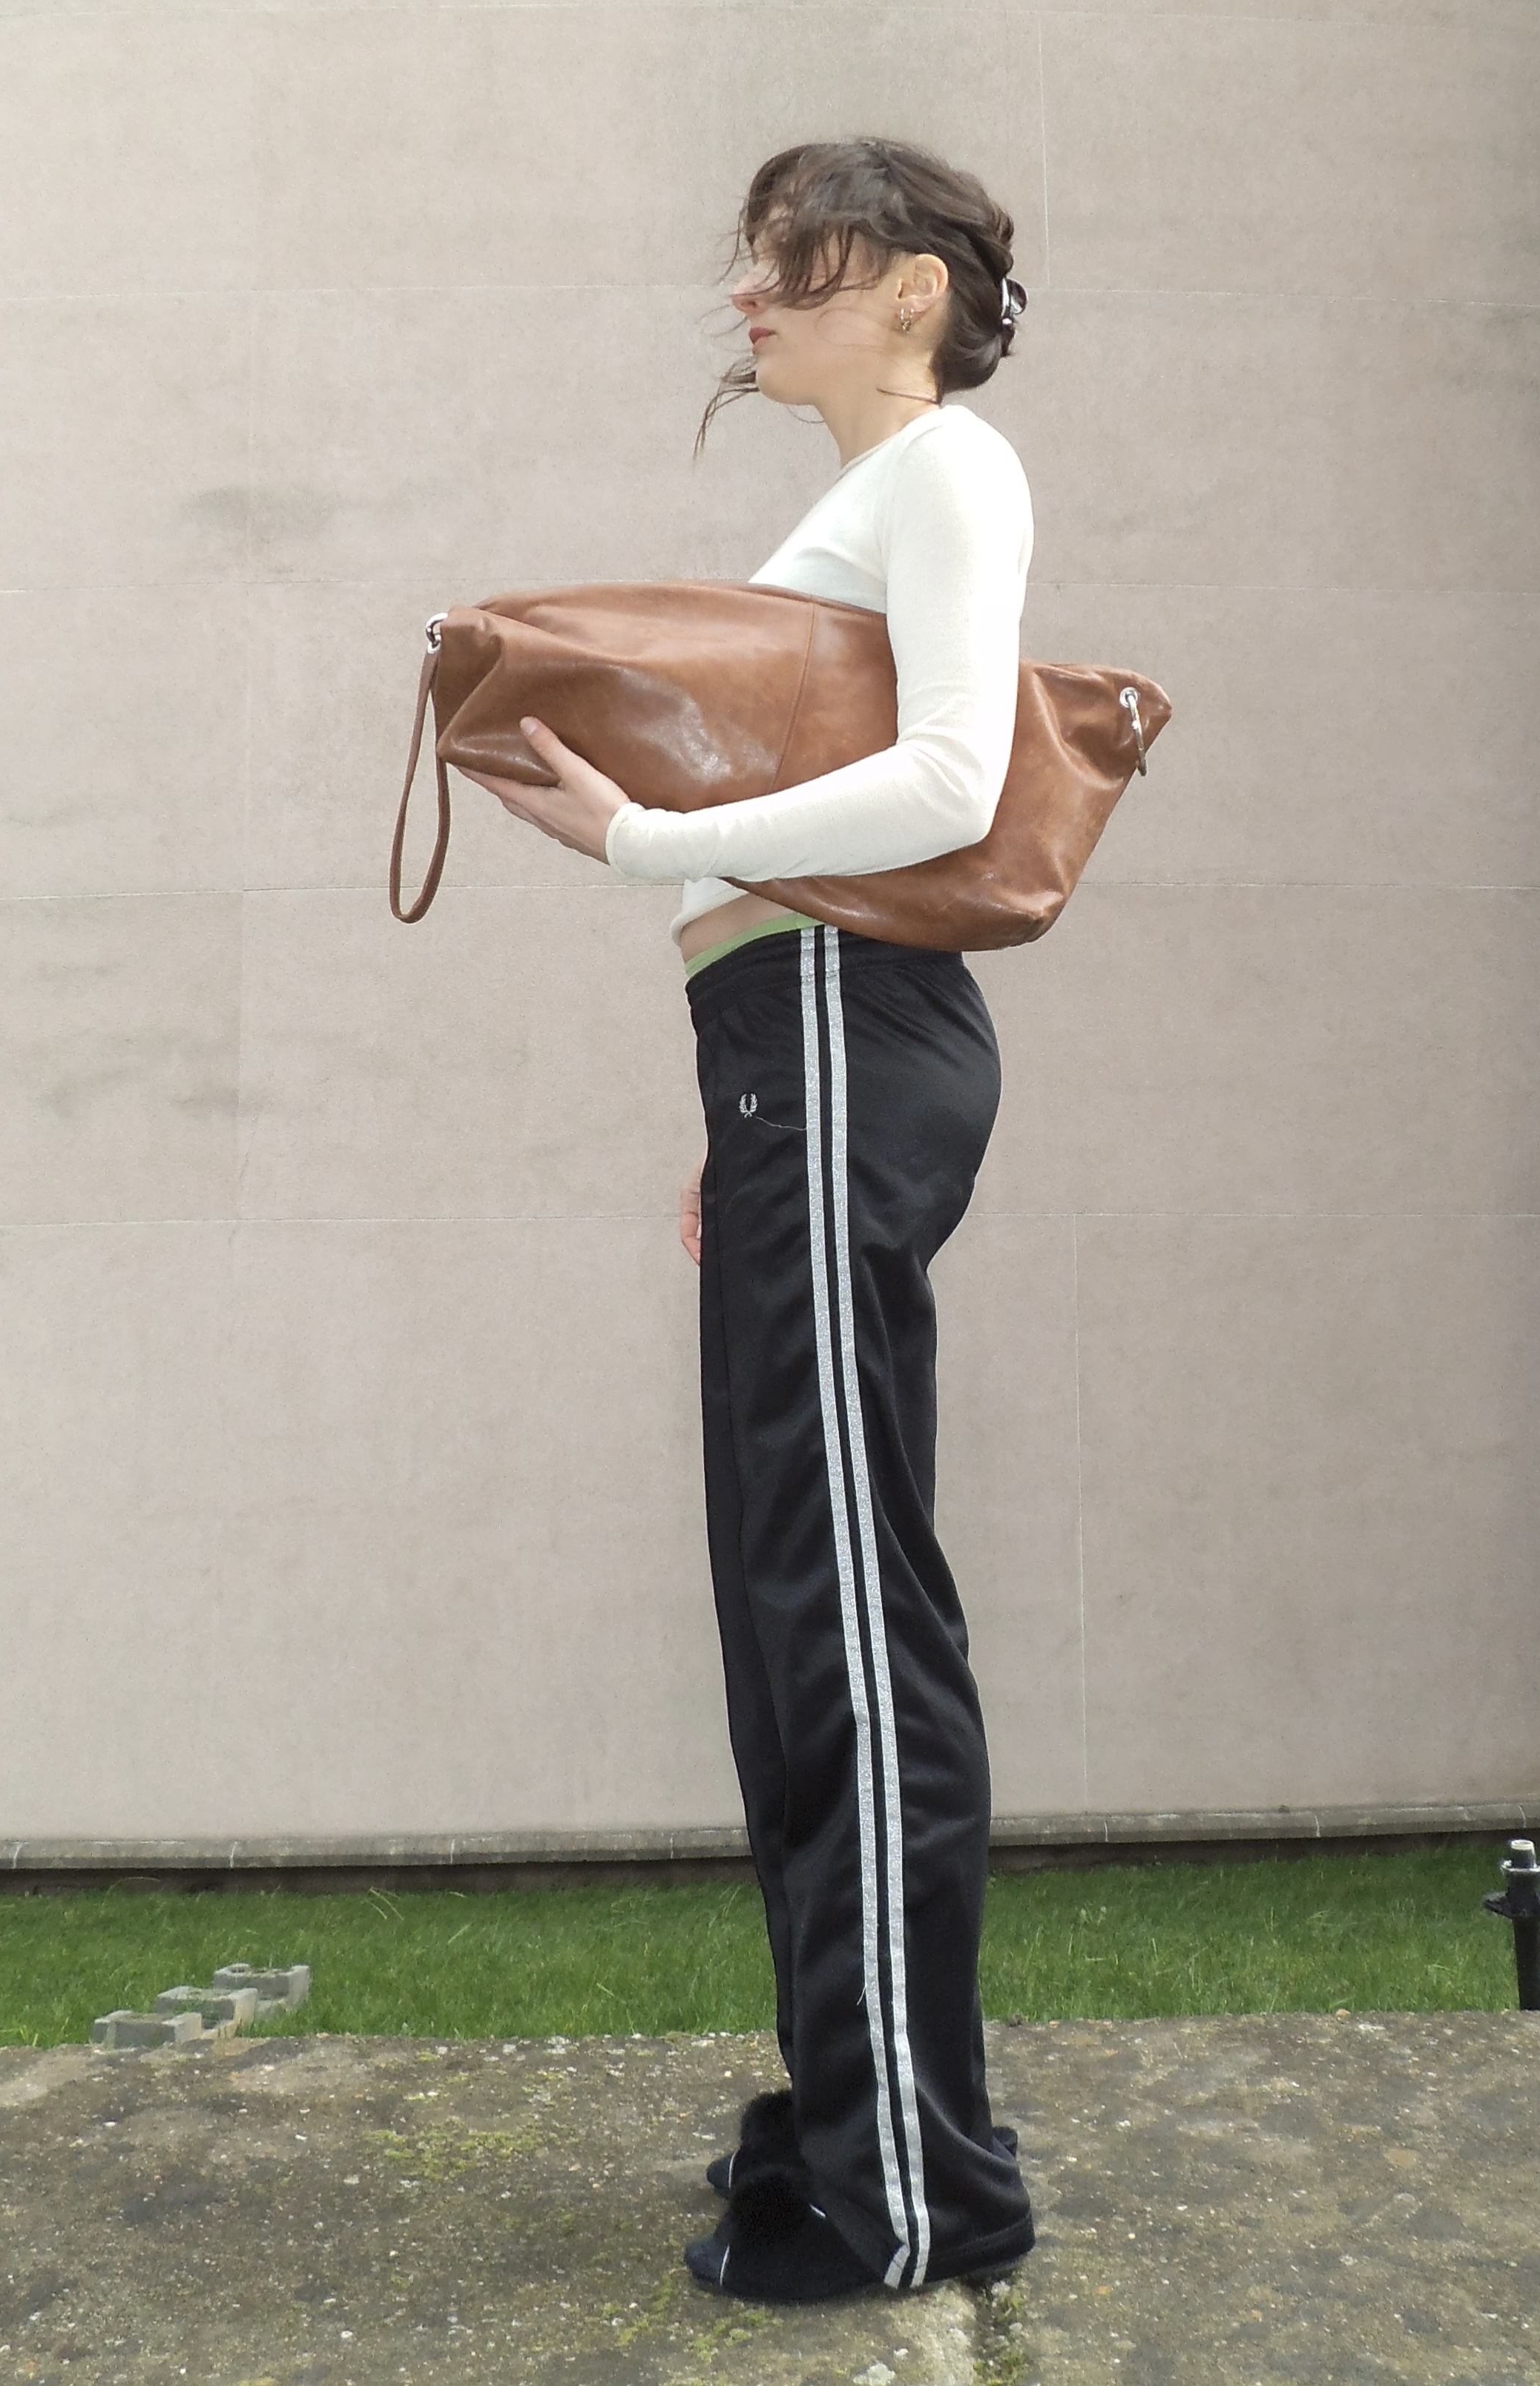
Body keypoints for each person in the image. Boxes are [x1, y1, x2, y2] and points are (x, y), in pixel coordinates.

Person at [465, 137, 1039, 2304]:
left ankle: (918, 2186)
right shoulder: (873, 496)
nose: (748, 296)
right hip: (791, 1050)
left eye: (792, 262)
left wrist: (643, 839)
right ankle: (844, 2113)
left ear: (909, 291)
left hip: (840, 1029)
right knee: (795, 1618)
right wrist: (745, 1106)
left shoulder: (946, 469)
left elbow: (956, 784)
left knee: (848, 1623)